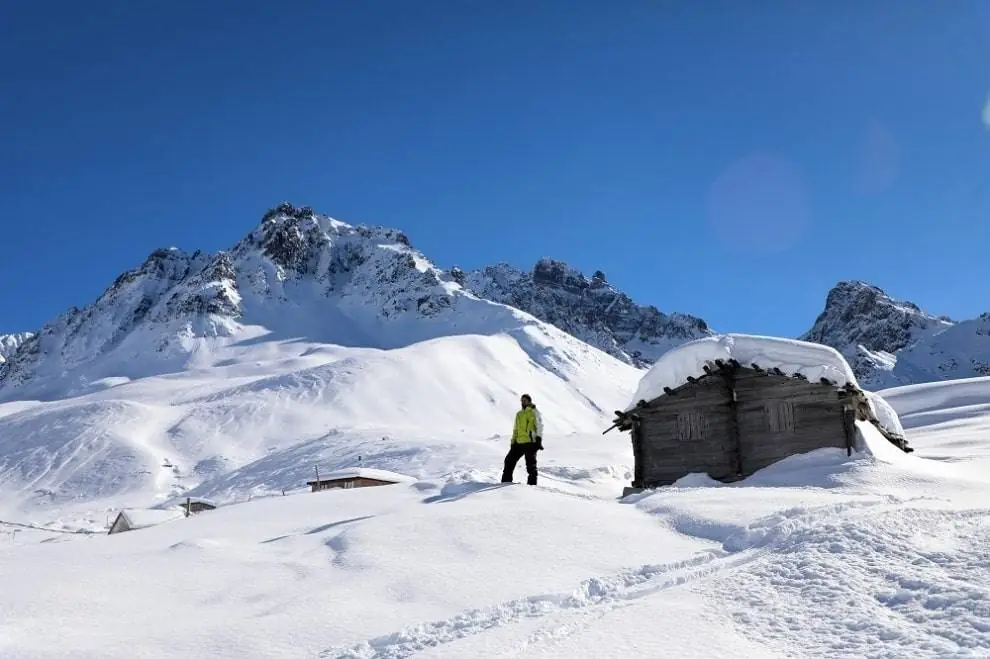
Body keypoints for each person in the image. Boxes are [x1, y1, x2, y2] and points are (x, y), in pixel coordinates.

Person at [500, 393, 544, 485]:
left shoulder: (534, 412)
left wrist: (538, 439)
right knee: (508, 461)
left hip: (530, 443)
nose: (523, 402)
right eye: (521, 400)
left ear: (529, 401)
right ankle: (505, 482)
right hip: (518, 443)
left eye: (525, 400)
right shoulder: (519, 414)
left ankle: (532, 487)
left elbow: (539, 426)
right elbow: (515, 429)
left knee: (531, 466)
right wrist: (513, 442)